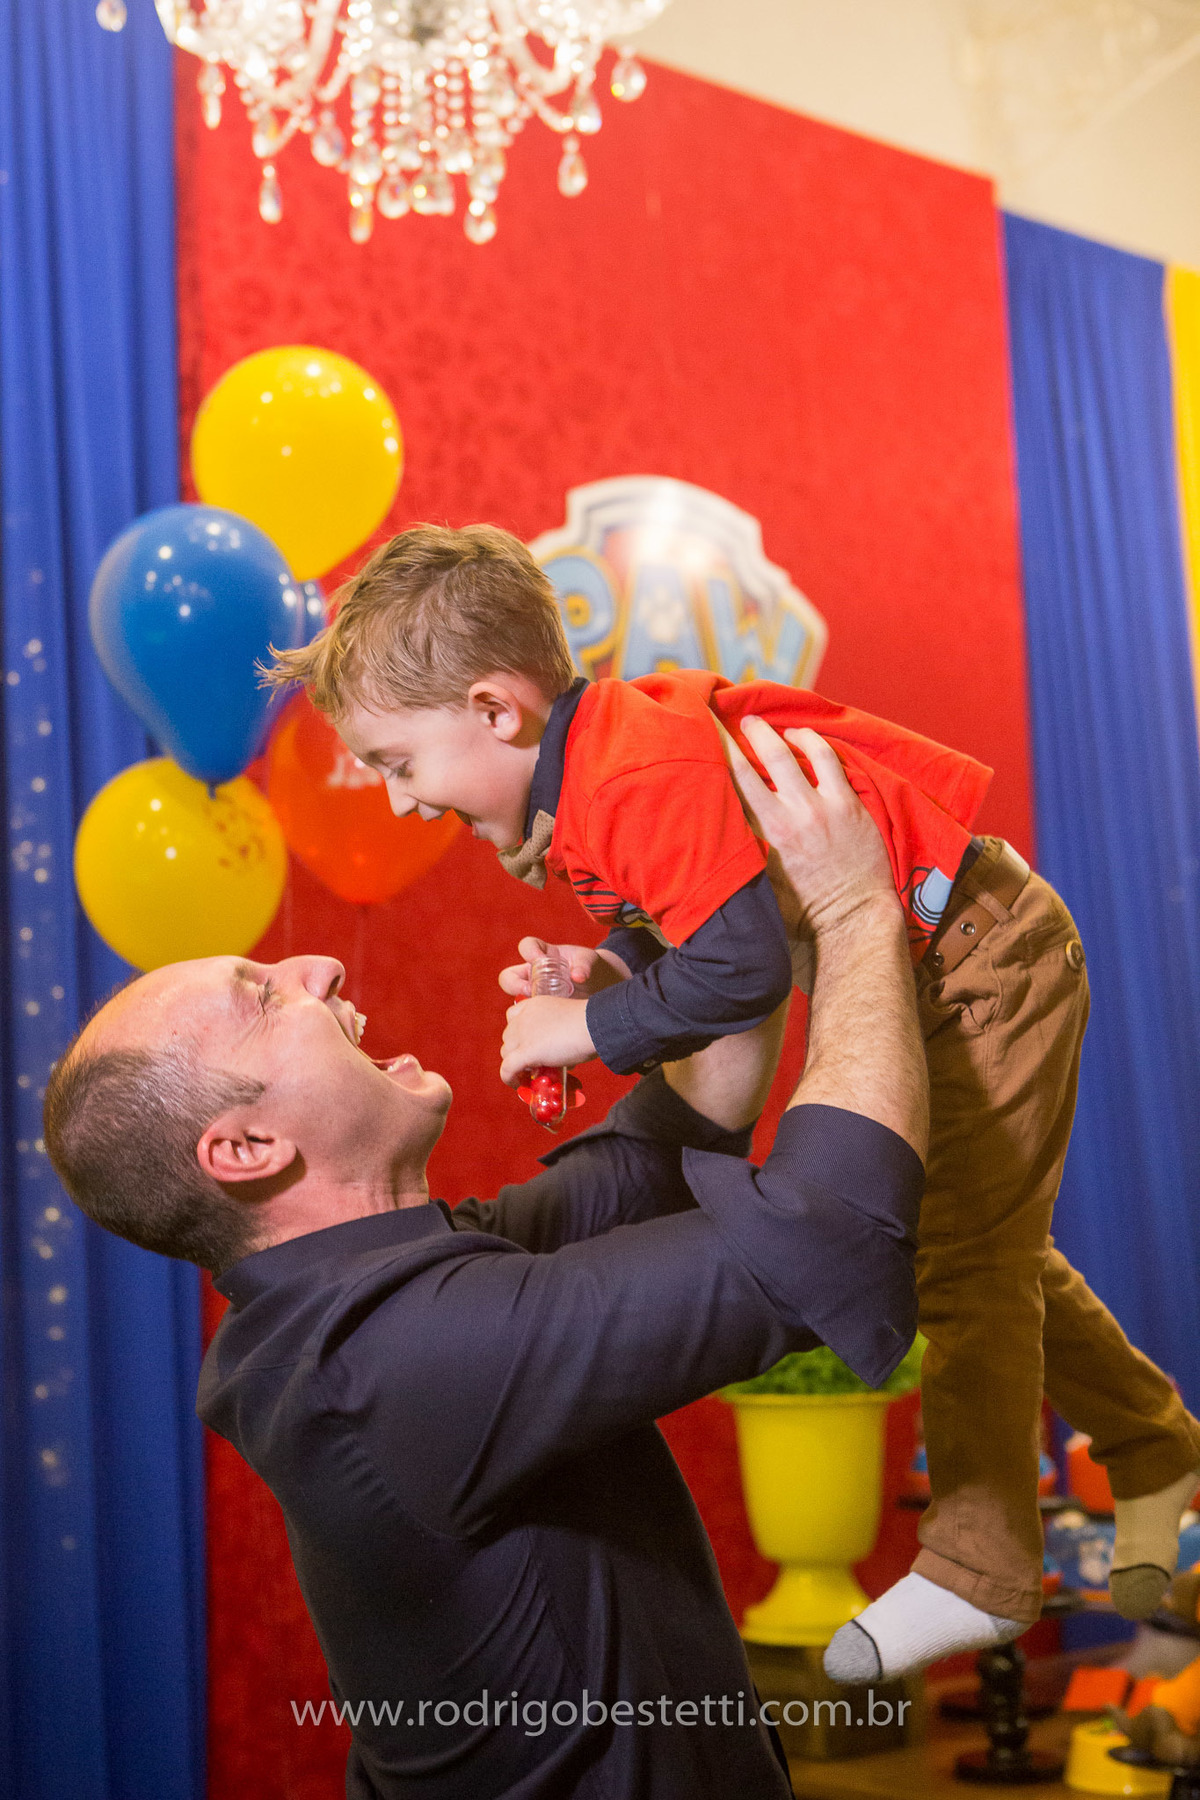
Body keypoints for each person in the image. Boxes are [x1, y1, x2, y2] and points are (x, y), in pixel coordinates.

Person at [269, 522, 1200, 1683]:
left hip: (984, 953)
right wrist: (610, 985)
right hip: (943, 959)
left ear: (496, 710)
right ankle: (1157, 1447)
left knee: (961, 1261)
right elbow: (697, 939)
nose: (401, 803)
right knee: (996, 1242)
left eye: (399, 763)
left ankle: (982, 1569)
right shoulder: (595, 784)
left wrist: (591, 1029)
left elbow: (746, 973)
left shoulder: (627, 772)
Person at [44, 722, 927, 1800]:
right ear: (245, 1151)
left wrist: (719, 919)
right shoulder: (387, 1366)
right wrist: (851, 909)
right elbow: (838, 1224)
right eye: (265, 996)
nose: (315, 962)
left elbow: (668, 1149)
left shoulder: (396, 1285)